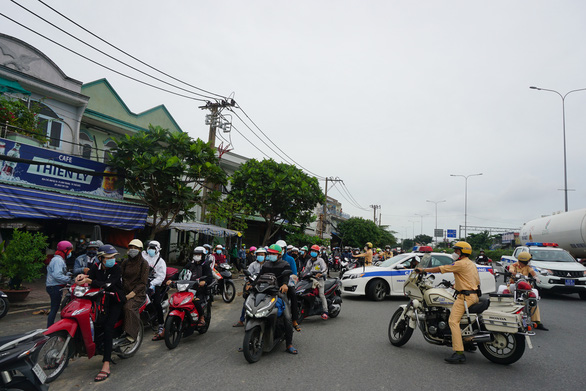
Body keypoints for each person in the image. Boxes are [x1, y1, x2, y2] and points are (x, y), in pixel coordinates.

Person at [416, 241, 480, 364]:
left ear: (462, 252)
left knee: (453, 321)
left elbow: (441, 269)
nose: (454, 253)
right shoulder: (471, 264)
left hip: (465, 297)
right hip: (473, 295)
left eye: (456, 251)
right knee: (462, 320)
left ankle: (459, 353)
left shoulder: (460, 263)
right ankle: (467, 343)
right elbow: (472, 280)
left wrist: (423, 270)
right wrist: (455, 285)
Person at [76, 244, 124, 382]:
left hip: (115, 300)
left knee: (108, 328)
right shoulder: (95, 267)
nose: (111, 260)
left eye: (113, 257)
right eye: (108, 257)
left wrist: (90, 280)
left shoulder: (116, 268)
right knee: (95, 324)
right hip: (100, 299)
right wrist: (80, 278)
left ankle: (106, 364)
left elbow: (107, 284)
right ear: (101, 258)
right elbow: (88, 278)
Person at [259, 244, 297, 354]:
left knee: (287, 317)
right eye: (269, 253)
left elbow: (286, 278)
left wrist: (285, 285)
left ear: (279, 255)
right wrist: (250, 284)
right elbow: (259, 277)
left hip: (279, 293)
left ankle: (289, 344)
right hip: (265, 292)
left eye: (273, 253)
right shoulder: (266, 264)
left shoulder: (285, 264)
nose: (271, 255)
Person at [167, 246, 212, 326]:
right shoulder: (190, 264)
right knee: (175, 302)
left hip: (199, 290)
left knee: (196, 301)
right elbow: (180, 273)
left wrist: (204, 282)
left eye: (199, 254)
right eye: (195, 254)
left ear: (203, 255)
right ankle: (164, 330)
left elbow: (209, 277)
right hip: (187, 288)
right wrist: (171, 279)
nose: (197, 256)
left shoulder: (205, 265)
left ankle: (201, 317)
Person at [508, 252, 548, 331]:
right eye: (528, 260)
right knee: (506, 295)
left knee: (533, 300)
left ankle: (537, 322)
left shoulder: (528, 267)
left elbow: (533, 273)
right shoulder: (514, 265)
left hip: (526, 287)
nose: (528, 262)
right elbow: (511, 270)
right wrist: (515, 274)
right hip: (514, 286)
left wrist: (536, 277)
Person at [120, 239, 149, 343]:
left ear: (140, 250)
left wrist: (132, 294)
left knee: (129, 307)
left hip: (138, 294)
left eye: (135, 248)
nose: (133, 250)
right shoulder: (125, 262)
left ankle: (132, 334)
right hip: (124, 291)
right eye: (131, 247)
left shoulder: (144, 264)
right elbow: (121, 276)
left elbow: (143, 283)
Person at [233, 247, 266, 327]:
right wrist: (248, 283)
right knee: (247, 301)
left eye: (262, 255)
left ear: (265, 256)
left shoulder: (268, 265)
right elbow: (247, 276)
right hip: (253, 285)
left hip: (265, 286)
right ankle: (241, 320)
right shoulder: (253, 265)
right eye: (259, 255)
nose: (260, 256)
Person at [143, 240, 168, 341]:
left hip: (154, 283)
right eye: (150, 248)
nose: (151, 250)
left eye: (154, 248)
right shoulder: (143, 256)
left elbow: (161, 277)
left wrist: (152, 284)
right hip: (141, 282)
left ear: (158, 249)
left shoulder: (161, 262)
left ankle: (161, 325)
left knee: (157, 302)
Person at [46, 240, 73, 327]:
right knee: (54, 309)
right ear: (65, 251)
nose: (70, 253)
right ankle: (50, 329)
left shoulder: (58, 259)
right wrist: (69, 279)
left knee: (55, 308)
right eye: (69, 251)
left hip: (53, 286)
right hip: (55, 287)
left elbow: (60, 273)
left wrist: (69, 274)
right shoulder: (58, 260)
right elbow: (57, 275)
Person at [276, 240, 301, 331]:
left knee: (293, 295)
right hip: (274, 284)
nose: (280, 251)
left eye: (282, 249)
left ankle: (294, 320)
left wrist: (286, 283)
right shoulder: (271, 260)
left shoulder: (290, 259)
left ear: (285, 249)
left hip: (287, 284)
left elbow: (294, 274)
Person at [302, 244, 329, 320]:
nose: (313, 252)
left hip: (319, 280)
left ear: (318, 253)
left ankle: (325, 311)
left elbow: (325, 269)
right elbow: (306, 270)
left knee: (321, 294)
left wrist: (320, 274)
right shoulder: (309, 261)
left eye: (315, 251)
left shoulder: (320, 260)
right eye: (312, 251)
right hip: (310, 279)